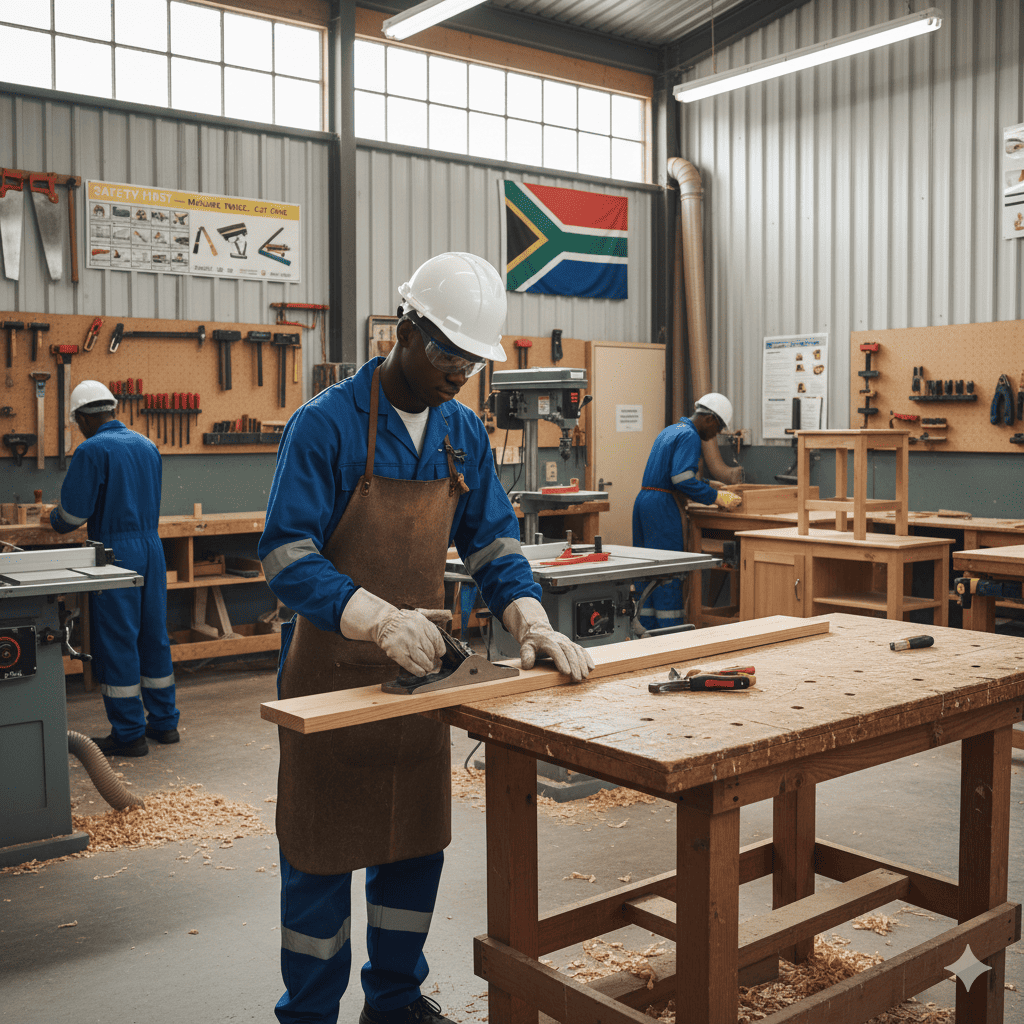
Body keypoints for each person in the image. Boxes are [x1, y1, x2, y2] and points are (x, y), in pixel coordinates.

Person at [259, 251, 594, 1024]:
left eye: (472, 361)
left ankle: (396, 1005)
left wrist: (531, 621)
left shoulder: (460, 434)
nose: (457, 373)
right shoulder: (326, 424)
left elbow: (494, 546)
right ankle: (309, 1014)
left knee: (412, 847)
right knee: (318, 859)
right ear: (403, 329)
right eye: (446, 352)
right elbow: (285, 555)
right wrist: (378, 617)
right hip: (328, 682)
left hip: (417, 684)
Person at [50, 380, 179, 757]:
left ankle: (128, 734)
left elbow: (73, 514)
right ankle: (165, 724)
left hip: (115, 552)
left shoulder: (92, 450)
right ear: (111, 408)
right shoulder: (146, 444)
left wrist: (53, 519)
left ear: (82, 418)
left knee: (118, 641)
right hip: (152, 548)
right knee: (154, 635)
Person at [631, 393, 741, 630]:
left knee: (647, 571)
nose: (715, 435)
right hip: (663, 507)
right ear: (710, 419)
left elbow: (671, 473)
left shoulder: (671, 430)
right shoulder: (690, 436)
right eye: (718, 428)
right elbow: (681, 478)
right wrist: (716, 497)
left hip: (644, 502)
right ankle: (671, 637)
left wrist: (709, 484)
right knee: (668, 571)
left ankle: (645, 634)